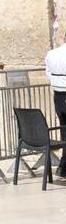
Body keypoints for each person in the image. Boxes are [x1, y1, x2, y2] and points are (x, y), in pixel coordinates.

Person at [46, 40, 66, 178]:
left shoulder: (51, 54)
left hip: (58, 96)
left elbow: (48, 72)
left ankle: (63, 166)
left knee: (64, 131)